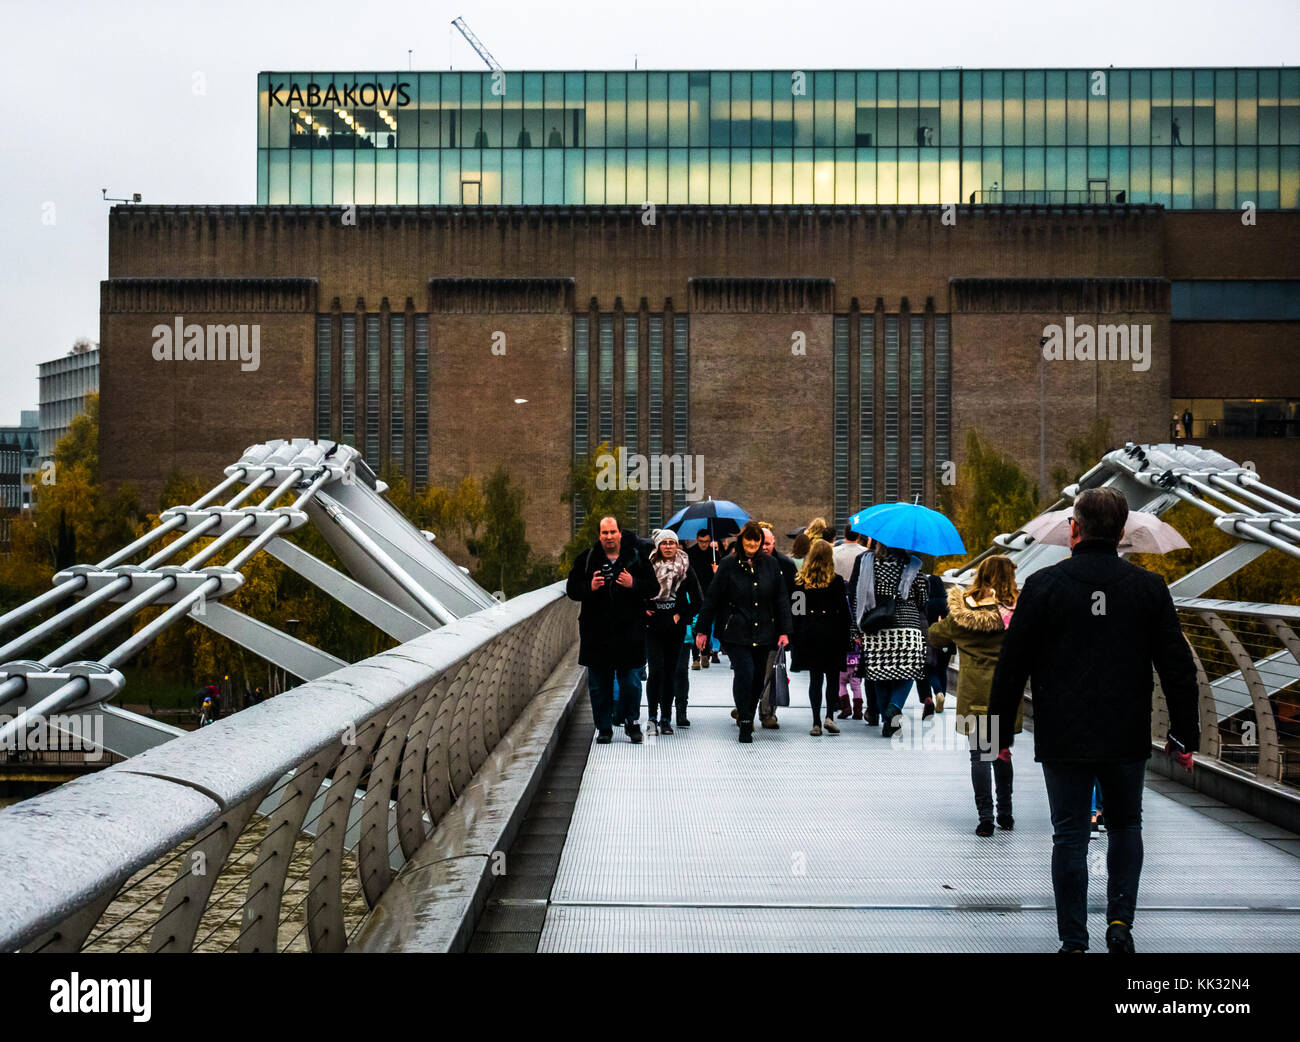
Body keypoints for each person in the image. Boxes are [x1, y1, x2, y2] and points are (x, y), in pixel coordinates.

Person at [988, 486, 1200, 954]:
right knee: (1126, 825)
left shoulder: (1043, 586)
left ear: (1074, 529)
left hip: (1063, 731)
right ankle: (1120, 923)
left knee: (1069, 832)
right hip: (1125, 731)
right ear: (1122, 532)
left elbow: (1011, 667)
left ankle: (1073, 939)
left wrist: (997, 738)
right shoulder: (1149, 588)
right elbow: (1177, 668)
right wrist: (1183, 736)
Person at [927, 556, 1022, 836]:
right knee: (1002, 753)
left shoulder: (963, 611)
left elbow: (936, 637)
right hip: (1006, 692)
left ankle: (985, 817)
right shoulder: (1018, 611)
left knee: (980, 755)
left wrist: (942, 623)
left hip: (974, 692)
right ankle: (1006, 813)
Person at [694, 520, 792, 744]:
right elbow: (712, 598)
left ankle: (747, 709)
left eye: (756, 540)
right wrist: (702, 630)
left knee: (759, 678)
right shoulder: (729, 565)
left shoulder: (770, 565)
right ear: (742, 540)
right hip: (736, 630)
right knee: (745, 672)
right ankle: (746, 721)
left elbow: (781, 599)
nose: (752, 544)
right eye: (748, 540)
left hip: (765, 631)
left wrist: (785, 630)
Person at [566, 515, 656, 744]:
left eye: (612, 532)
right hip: (597, 633)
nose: (609, 537)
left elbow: (653, 587)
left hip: (629, 632)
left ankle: (632, 723)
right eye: (604, 533)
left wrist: (633, 584)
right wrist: (590, 587)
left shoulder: (636, 557)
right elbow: (572, 590)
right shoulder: (587, 559)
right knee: (599, 685)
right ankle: (604, 727)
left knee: (631, 683)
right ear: (599, 535)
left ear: (620, 533)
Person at [848, 538, 931, 736]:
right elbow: (922, 599)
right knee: (909, 671)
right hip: (908, 628)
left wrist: (855, 630)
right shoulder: (913, 565)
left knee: (879, 674)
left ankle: (887, 716)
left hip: (877, 627)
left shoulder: (868, 564)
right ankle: (894, 707)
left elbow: (857, 598)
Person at [644, 529, 703, 735]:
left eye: (672, 542)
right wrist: (646, 610)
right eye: (664, 543)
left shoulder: (686, 567)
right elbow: (639, 592)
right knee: (656, 671)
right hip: (653, 624)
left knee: (670, 673)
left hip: (675, 624)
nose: (668, 546)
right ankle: (652, 717)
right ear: (658, 546)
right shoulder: (648, 565)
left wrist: (681, 614)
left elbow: (697, 600)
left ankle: (666, 718)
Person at [790, 539, 851, 736]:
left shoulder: (800, 581)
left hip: (810, 633)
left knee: (815, 679)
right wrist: (848, 636)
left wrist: (796, 637)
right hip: (832, 632)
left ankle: (815, 721)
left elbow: (796, 611)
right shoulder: (837, 581)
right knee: (832, 678)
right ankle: (829, 717)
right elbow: (844, 612)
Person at [758, 523, 798, 728]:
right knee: (749, 671)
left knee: (772, 671)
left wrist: (790, 629)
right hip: (750, 627)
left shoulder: (786, 565)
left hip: (774, 628)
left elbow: (794, 599)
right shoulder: (743, 563)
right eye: (761, 543)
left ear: (774, 543)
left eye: (767, 543)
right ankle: (746, 704)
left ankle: (767, 712)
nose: (764, 547)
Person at [833, 524, 869, 718]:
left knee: (840, 677)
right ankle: (858, 707)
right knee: (856, 679)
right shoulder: (866, 555)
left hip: (839, 607)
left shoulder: (835, 553)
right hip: (859, 606)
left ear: (844, 534)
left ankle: (842, 705)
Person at [686, 530, 722, 669]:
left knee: (706, 624)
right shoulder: (691, 553)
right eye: (701, 541)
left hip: (709, 593)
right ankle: (695, 657)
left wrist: (716, 572)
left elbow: (721, 576)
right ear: (697, 539)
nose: (704, 544)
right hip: (694, 593)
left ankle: (705, 653)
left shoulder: (713, 554)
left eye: (706, 541)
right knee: (695, 623)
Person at [921, 573, 953, 717]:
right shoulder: (949, 603)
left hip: (931, 641)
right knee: (943, 670)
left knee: (931, 670)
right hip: (947, 641)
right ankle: (943, 697)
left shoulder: (927, 602)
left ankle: (937, 692)